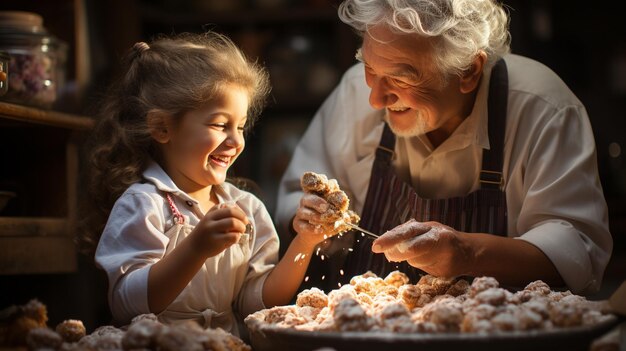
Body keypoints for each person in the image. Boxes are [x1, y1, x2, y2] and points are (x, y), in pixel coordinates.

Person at [275, 0, 612, 295]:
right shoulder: (355, 94)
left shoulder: (542, 108)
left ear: (468, 71)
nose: (376, 98)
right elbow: (292, 201)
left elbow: (575, 251)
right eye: (370, 69)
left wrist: (468, 254)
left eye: (401, 78)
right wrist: (312, 220)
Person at [80, 32, 330, 335]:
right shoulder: (143, 203)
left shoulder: (246, 208)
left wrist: (304, 242)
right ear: (162, 127)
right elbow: (127, 304)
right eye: (219, 125)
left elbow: (257, 303)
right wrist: (195, 248)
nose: (236, 141)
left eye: (239, 126)